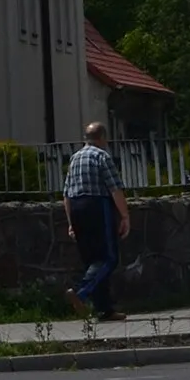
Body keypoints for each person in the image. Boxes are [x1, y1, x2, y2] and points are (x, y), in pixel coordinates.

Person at [63, 121, 130, 319]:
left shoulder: (74, 158)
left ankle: (104, 309)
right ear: (103, 138)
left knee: (92, 259)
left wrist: (70, 222)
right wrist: (125, 216)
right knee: (108, 258)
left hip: (76, 207)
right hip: (96, 206)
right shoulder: (102, 156)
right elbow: (115, 188)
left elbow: (66, 194)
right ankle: (80, 292)